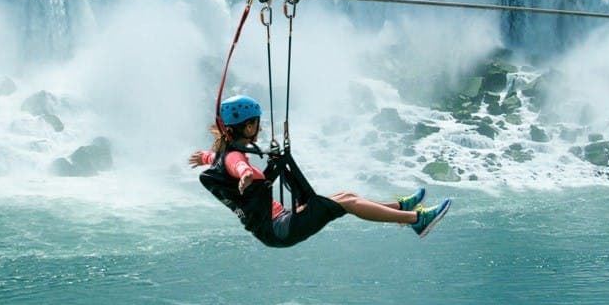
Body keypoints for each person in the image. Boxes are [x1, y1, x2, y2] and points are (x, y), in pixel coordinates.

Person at [189, 95, 450, 248]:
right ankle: (416, 220)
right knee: (346, 202)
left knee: (344, 195)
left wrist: (204, 157)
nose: (259, 126)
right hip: (281, 228)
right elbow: (239, 167)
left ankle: (401, 207)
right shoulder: (235, 158)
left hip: (279, 223)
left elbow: (221, 161)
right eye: (257, 122)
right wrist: (246, 174)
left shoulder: (221, 157)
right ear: (248, 127)